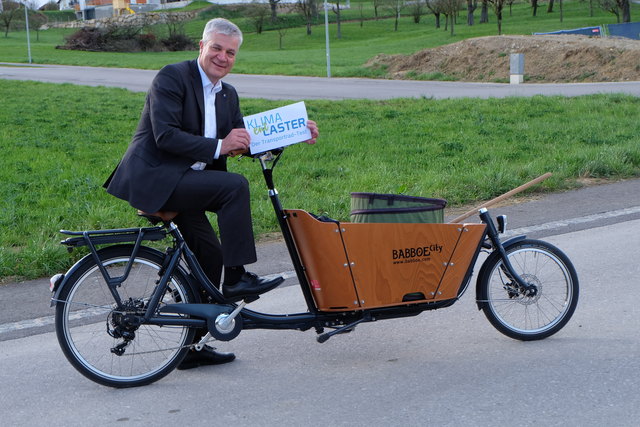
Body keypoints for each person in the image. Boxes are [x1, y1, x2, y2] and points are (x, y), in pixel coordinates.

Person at [103, 18, 319, 369]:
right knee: (234, 187)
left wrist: (295, 131)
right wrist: (219, 145)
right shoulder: (172, 77)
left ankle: (192, 347)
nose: (223, 57)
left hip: (188, 183)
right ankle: (236, 279)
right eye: (216, 48)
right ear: (201, 47)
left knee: (209, 254)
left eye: (230, 52)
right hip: (157, 179)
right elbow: (166, 137)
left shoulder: (227, 94)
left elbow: (243, 142)